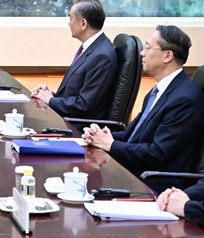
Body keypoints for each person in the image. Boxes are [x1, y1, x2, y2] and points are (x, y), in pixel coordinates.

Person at [83, 25, 204, 193]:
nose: (142, 53)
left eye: (148, 47)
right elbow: (132, 136)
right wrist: (102, 136)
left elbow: (157, 153)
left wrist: (111, 145)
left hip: (154, 184)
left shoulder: (185, 99)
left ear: (167, 55)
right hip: (134, 171)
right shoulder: (159, 91)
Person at [31, 0, 118, 120]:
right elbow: (79, 93)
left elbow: (84, 105)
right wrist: (50, 95)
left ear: (83, 23)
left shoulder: (102, 56)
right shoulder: (93, 48)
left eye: (70, 18)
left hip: (77, 128)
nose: (68, 23)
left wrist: (50, 100)